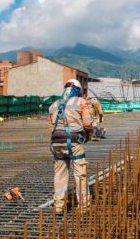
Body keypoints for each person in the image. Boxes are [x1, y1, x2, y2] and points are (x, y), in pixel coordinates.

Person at [49, 79, 93, 214]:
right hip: (74, 141)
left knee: (60, 173)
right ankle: (84, 206)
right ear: (78, 90)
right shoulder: (80, 102)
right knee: (80, 173)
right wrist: (88, 136)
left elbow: (51, 128)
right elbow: (88, 125)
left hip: (56, 142)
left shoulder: (54, 105)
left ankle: (59, 205)